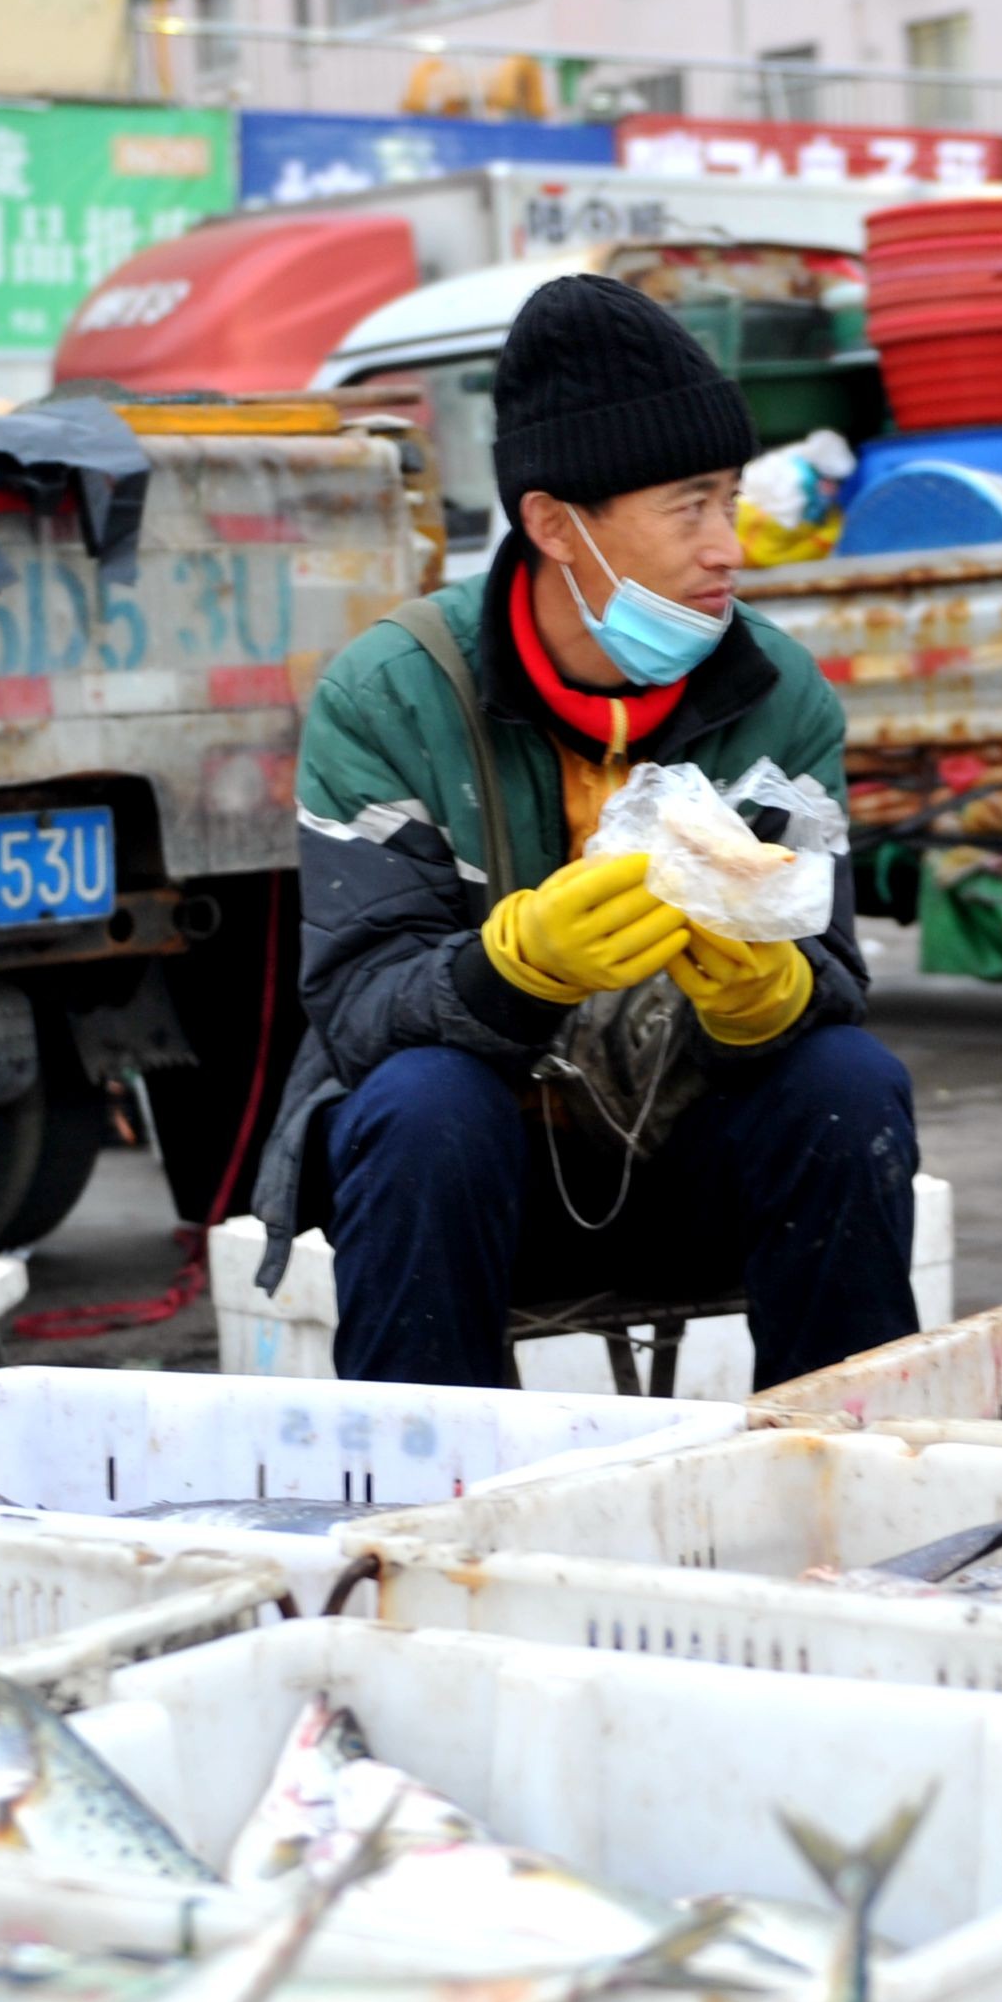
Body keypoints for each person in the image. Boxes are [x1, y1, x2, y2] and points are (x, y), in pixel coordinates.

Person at [246, 272, 920, 1387]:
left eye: (728, 499)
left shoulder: (777, 693)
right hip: (475, 1193)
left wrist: (771, 997)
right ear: (556, 525)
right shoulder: (391, 693)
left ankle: (840, 1474)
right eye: (687, 506)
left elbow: (833, 970)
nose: (727, 548)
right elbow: (355, 1009)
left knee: (845, 1083)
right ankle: (428, 1502)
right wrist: (512, 970)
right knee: (419, 1102)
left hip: (696, 1177)